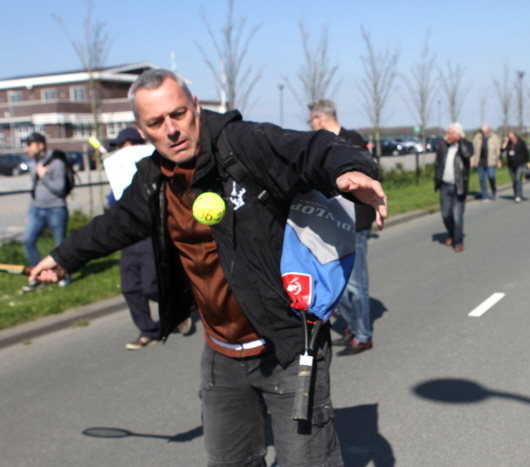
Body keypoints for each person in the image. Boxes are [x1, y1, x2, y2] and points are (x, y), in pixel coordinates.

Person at [29, 69, 386, 467]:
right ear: (141, 129)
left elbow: (310, 148)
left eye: (178, 114)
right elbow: (114, 226)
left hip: (286, 346)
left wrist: (350, 169)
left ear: (195, 106)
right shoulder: (153, 180)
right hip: (221, 357)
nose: (172, 129)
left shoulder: (242, 145)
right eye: (157, 122)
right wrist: (62, 258)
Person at [107, 127, 193, 350]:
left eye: (122, 145)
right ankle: (148, 330)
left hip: (150, 232)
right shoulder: (118, 169)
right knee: (130, 288)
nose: (119, 150)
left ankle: (178, 309)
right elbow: (113, 202)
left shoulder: (157, 165)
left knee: (151, 285)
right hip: (127, 236)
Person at [308, 99, 375, 356]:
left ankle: (363, 335)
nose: (310, 125)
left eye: (311, 120)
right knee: (336, 283)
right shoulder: (321, 144)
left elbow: (364, 178)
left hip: (355, 222)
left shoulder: (352, 140)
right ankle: (353, 326)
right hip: (333, 221)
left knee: (356, 283)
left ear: (320, 118)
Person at [22, 132, 71, 291]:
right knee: (28, 240)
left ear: (40, 145)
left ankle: (63, 275)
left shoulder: (56, 163)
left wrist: (44, 176)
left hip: (56, 210)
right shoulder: (33, 163)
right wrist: (29, 212)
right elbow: (34, 190)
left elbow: (60, 189)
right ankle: (38, 275)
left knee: (60, 247)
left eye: (30, 145)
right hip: (37, 210)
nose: (27, 148)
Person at [434, 123, 474, 252]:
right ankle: (451, 233)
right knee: (446, 215)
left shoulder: (466, 146)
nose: (447, 137)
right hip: (445, 186)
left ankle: (458, 241)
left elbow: (467, 155)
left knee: (457, 215)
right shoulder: (444, 147)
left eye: (450, 134)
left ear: (457, 135)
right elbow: (438, 164)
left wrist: (460, 140)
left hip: (459, 186)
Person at [471, 123, 502, 201]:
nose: (484, 132)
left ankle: (494, 190)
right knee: (482, 179)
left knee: (491, 176)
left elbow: (498, 151)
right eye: (482, 130)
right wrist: (472, 160)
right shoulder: (477, 137)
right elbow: (473, 150)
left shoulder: (494, 137)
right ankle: (485, 196)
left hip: (491, 161)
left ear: (488, 129)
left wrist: (498, 161)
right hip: (480, 161)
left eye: (485, 130)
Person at [502, 131, 530, 203]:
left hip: (519, 164)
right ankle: (516, 194)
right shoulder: (509, 143)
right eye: (510, 137)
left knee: (517, 179)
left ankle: (519, 195)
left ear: (515, 136)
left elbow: (526, 152)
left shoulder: (521, 143)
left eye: (512, 137)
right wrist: (505, 142)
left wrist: (528, 162)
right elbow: (502, 150)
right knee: (514, 180)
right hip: (511, 165)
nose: (511, 138)